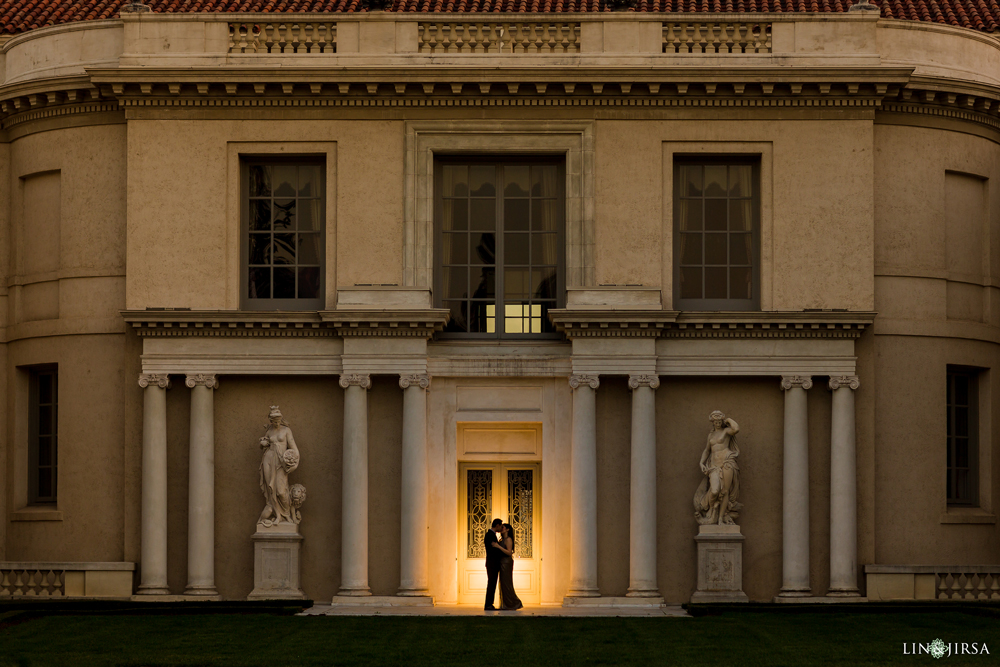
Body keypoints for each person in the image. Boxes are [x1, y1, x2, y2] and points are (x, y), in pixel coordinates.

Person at [693, 410, 742, 525]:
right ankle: (711, 509)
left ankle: (720, 518)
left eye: (720, 421)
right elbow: (707, 450)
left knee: (725, 491)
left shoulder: (726, 431)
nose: (718, 423)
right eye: (715, 421)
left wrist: (728, 420)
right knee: (715, 491)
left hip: (727, 462)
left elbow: (736, 429)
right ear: (713, 422)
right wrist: (701, 463)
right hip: (714, 466)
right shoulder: (711, 435)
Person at [258, 406, 301, 527]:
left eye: (278, 420)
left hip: (281, 462)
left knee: (281, 490)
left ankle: (286, 515)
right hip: (268, 459)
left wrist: (295, 464)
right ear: (271, 421)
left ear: (281, 419)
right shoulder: (269, 430)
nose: (276, 423)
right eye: (273, 421)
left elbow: (294, 449)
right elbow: (264, 444)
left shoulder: (286, 430)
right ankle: (277, 516)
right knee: (271, 489)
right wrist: (263, 444)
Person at [493, 522, 523, 610]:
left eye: (503, 527)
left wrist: (498, 546)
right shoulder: (502, 540)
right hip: (502, 562)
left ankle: (513, 603)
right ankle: (506, 604)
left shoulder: (508, 539)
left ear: (507, 529)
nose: (501, 529)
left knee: (507, 583)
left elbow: (509, 552)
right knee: (503, 583)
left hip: (506, 563)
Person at [484, 518, 503, 610]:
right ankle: (488, 604)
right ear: (497, 525)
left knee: (492, 583)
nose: (501, 528)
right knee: (491, 583)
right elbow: (493, 550)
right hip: (492, 564)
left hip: (491, 563)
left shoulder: (491, 535)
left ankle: (489, 603)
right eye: (501, 526)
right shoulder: (490, 535)